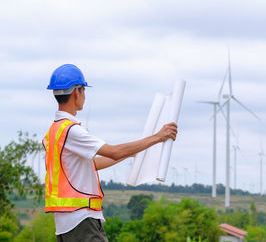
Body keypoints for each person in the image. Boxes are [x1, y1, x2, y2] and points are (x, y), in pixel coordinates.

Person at [43, 64, 178, 242]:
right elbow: (113, 151)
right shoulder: (71, 131)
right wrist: (158, 137)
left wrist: (128, 154)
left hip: (68, 222)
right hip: (82, 220)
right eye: (84, 90)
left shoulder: (53, 132)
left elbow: (92, 165)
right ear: (77, 92)